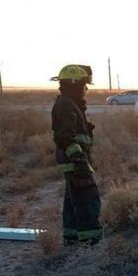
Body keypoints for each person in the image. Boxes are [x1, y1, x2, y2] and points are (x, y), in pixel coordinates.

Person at [51, 64, 103, 244]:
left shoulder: (69, 104)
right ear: (74, 85)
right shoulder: (66, 105)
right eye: (84, 85)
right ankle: (91, 239)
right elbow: (64, 137)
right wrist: (79, 159)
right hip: (74, 160)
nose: (85, 89)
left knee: (73, 198)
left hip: (72, 160)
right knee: (88, 198)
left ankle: (71, 236)